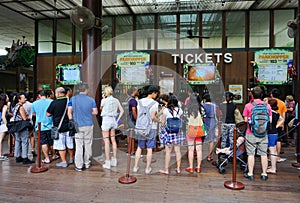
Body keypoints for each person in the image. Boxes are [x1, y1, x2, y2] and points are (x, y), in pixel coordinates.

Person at [243, 86, 272, 181]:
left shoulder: (248, 106)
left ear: (252, 95)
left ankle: (250, 173)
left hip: (250, 132)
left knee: (251, 154)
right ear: (262, 95)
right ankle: (264, 174)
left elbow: (245, 120)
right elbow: (270, 120)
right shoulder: (267, 106)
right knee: (264, 154)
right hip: (263, 133)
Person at [68, 83, 98, 171]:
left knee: (79, 145)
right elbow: (95, 112)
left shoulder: (72, 99)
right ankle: (87, 163)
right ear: (86, 90)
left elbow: (69, 112)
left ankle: (79, 165)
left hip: (77, 125)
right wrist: (88, 113)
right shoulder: (91, 100)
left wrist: (71, 121)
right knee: (88, 144)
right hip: (88, 125)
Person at [132, 85, 161, 174]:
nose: (156, 96)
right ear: (153, 93)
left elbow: (139, 114)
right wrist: (159, 120)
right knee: (149, 148)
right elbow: (153, 117)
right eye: (156, 94)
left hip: (141, 127)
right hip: (151, 128)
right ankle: (147, 168)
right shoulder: (155, 104)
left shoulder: (139, 101)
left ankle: (135, 167)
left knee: (139, 147)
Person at [47, 87, 74, 168]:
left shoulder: (54, 103)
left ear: (58, 94)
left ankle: (64, 161)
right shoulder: (69, 101)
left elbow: (48, 114)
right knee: (70, 143)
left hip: (58, 127)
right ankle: (71, 158)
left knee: (60, 145)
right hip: (69, 126)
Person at [159, 93, 184, 174]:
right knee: (178, 151)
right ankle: (178, 168)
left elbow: (163, 122)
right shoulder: (180, 110)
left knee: (168, 152)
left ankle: (166, 169)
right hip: (177, 132)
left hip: (169, 132)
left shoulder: (166, 110)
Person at [100, 86, 124, 169]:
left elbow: (101, 109)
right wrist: (117, 120)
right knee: (113, 140)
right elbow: (122, 111)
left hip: (106, 120)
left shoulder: (104, 100)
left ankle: (107, 162)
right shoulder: (116, 100)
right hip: (113, 120)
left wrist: (103, 98)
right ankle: (114, 159)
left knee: (106, 141)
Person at [32, 89, 54, 164]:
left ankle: (47, 158)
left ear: (39, 96)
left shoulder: (34, 103)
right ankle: (54, 155)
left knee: (43, 142)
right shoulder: (51, 101)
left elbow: (33, 114)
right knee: (52, 142)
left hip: (40, 126)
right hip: (51, 124)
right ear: (47, 95)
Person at [11, 93, 34, 164]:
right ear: (19, 99)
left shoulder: (15, 106)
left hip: (16, 125)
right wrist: (29, 118)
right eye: (24, 98)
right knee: (25, 141)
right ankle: (25, 158)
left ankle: (18, 156)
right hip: (22, 126)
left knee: (17, 140)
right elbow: (24, 118)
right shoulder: (21, 107)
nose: (25, 99)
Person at [185, 93, 204, 173]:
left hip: (190, 131)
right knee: (199, 150)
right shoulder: (201, 109)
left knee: (191, 150)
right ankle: (198, 167)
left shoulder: (187, 109)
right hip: (199, 131)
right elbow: (204, 118)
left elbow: (185, 119)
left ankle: (191, 167)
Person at [266, 98, 284, 174]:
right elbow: (282, 119)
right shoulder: (276, 113)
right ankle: (273, 166)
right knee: (273, 150)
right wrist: (277, 126)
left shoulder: (269, 114)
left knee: (272, 150)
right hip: (275, 132)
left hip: (270, 133)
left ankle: (273, 168)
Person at [270, 88, 287, 162]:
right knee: (278, 140)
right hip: (279, 124)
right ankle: (277, 157)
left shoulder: (269, 102)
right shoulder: (282, 103)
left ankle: (270, 156)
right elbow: (283, 115)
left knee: (270, 141)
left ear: (271, 95)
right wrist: (282, 124)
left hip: (271, 124)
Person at [202, 93, 218, 161]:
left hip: (204, 121)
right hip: (212, 121)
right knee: (211, 140)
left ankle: (201, 154)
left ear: (204, 99)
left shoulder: (202, 105)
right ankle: (209, 155)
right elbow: (217, 114)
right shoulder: (214, 105)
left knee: (202, 138)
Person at [125, 87, 139, 158]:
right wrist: (137, 119)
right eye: (136, 90)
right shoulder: (133, 101)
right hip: (132, 120)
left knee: (129, 135)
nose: (138, 91)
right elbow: (134, 111)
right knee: (132, 135)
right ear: (133, 91)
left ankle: (129, 150)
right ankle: (132, 152)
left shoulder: (127, 99)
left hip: (127, 119)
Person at [23, 92, 36, 157]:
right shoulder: (31, 104)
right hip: (30, 122)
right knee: (32, 136)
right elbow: (34, 113)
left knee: (23, 136)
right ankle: (33, 149)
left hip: (23, 122)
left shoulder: (21, 105)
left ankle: (24, 151)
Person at [0, 93, 9, 160]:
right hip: (2, 124)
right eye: (7, 97)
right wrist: (6, 124)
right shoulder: (5, 106)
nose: (8, 98)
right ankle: (0, 155)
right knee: (0, 140)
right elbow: (3, 116)